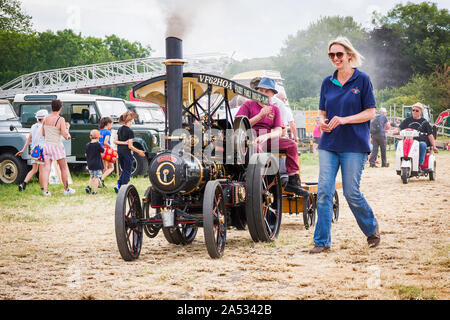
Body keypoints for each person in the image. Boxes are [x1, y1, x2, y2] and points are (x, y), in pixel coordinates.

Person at [311, 36, 380, 254]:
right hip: (329, 144)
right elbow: (321, 113)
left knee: (351, 193)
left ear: (349, 55)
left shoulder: (362, 80)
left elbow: (371, 112)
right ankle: (322, 242)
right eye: (331, 55)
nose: (335, 58)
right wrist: (321, 122)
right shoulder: (326, 82)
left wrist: (344, 119)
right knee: (323, 192)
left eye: (339, 54)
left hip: (355, 145)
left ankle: (371, 228)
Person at [236, 77, 309, 197]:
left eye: (267, 91)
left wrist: (268, 135)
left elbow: (278, 130)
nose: (263, 94)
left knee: (292, 145)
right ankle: (256, 180)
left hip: (268, 138)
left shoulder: (275, 109)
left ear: (272, 94)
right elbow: (240, 125)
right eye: (261, 91)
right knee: (256, 146)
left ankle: (292, 180)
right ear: (256, 91)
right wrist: (260, 115)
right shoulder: (248, 104)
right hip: (250, 136)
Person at [41, 99, 75, 196]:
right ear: (60, 108)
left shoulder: (46, 118)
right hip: (57, 146)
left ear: (52, 107)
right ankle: (66, 189)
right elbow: (65, 135)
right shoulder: (61, 119)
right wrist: (67, 127)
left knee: (46, 168)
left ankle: (45, 191)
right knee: (63, 168)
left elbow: (43, 133)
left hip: (47, 146)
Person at [394, 102, 439, 167]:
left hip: (419, 142)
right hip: (408, 141)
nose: (414, 112)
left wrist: (434, 146)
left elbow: (430, 135)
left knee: (423, 145)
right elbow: (399, 128)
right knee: (397, 143)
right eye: (413, 110)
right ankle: (400, 161)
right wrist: (396, 131)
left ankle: (419, 165)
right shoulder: (407, 120)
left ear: (420, 112)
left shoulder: (424, 122)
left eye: (417, 110)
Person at [113, 111, 146, 193]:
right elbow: (130, 146)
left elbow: (115, 141)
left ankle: (118, 185)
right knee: (127, 171)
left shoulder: (119, 129)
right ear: (130, 121)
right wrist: (139, 151)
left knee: (124, 170)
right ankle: (123, 188)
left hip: (120, 152)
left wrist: (123, 142)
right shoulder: (130, 131)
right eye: (132, 121)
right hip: (127, 153)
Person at [16, 109, 48, 191]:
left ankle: (24, 184)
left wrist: (23, 149)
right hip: (41, 150)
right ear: (44, 118)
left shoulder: (33, 126)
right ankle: (43, 188)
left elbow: (29, 138)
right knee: (41, 170)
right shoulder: (44, 127)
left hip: (34, 151)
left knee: (34, 169)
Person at [85, 129, 104, 195]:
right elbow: (102, 150)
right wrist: (99, 143)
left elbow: (86, 154)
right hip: (97, 164)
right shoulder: (97, 145)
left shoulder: (87, 145)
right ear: (98, 137)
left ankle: (89, 187)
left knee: (91, 176)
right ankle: (95, 191)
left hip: (90, 164)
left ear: (90, 137)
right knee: (96, 178)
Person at [98, 117, 115, 186]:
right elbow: (106, 142)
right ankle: (101, 178)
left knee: (104, 167)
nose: (111, 126)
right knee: (111, 167)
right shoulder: (108, 131)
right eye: (111, 124)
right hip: (106, 150)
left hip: (100, 150)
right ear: (108, 124)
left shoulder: (100, 131)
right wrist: (111, 147)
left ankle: (101, 183)